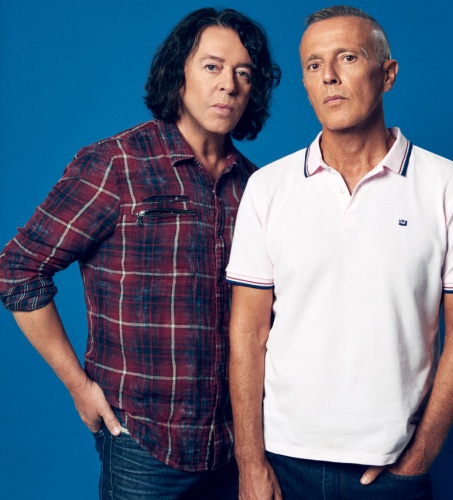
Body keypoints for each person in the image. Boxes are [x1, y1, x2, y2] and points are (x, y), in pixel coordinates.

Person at [0, 7, 280, 499]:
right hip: (142, 442)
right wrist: (78, 385)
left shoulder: (258, 187)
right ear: (178, 75)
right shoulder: (116, 164)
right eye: (212, 66)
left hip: (238, 444)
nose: (229, 85)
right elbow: (18, 270)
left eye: (243, 73)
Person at [227, 5, 453, 499]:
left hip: (391, 469)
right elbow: (248, 331)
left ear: (387, 74)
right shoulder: (267, 188)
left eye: (347, 57)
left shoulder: (449, 187)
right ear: (305, 85)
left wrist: (420, 456)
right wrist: (250, 461)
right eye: (313, 65)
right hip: (282, 465)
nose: (329, 76)